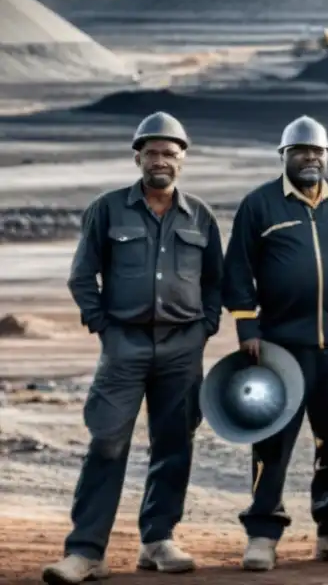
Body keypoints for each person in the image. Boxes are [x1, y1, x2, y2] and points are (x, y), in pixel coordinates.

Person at [43, 112, 223, 585]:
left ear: (183, 158)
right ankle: (85, 552)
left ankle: (158, 540)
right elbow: (82, 276)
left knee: (174, 444)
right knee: (106, 441)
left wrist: (205, 327)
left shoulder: (199, 214)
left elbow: (215, 281)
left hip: (183, 347)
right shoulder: (108, 209)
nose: (160, 160)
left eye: (170, 152)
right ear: (137, 156)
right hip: (124, 345)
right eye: (152, 152)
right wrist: (105, 326)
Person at [221, 116, 328, 572]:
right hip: (280, 349)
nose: (311, 158)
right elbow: (237, 271)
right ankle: (263, 534)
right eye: (300, 151)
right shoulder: (259, 206)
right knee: (273, 442)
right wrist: (248, 328)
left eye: (318, 151)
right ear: (284, 156)